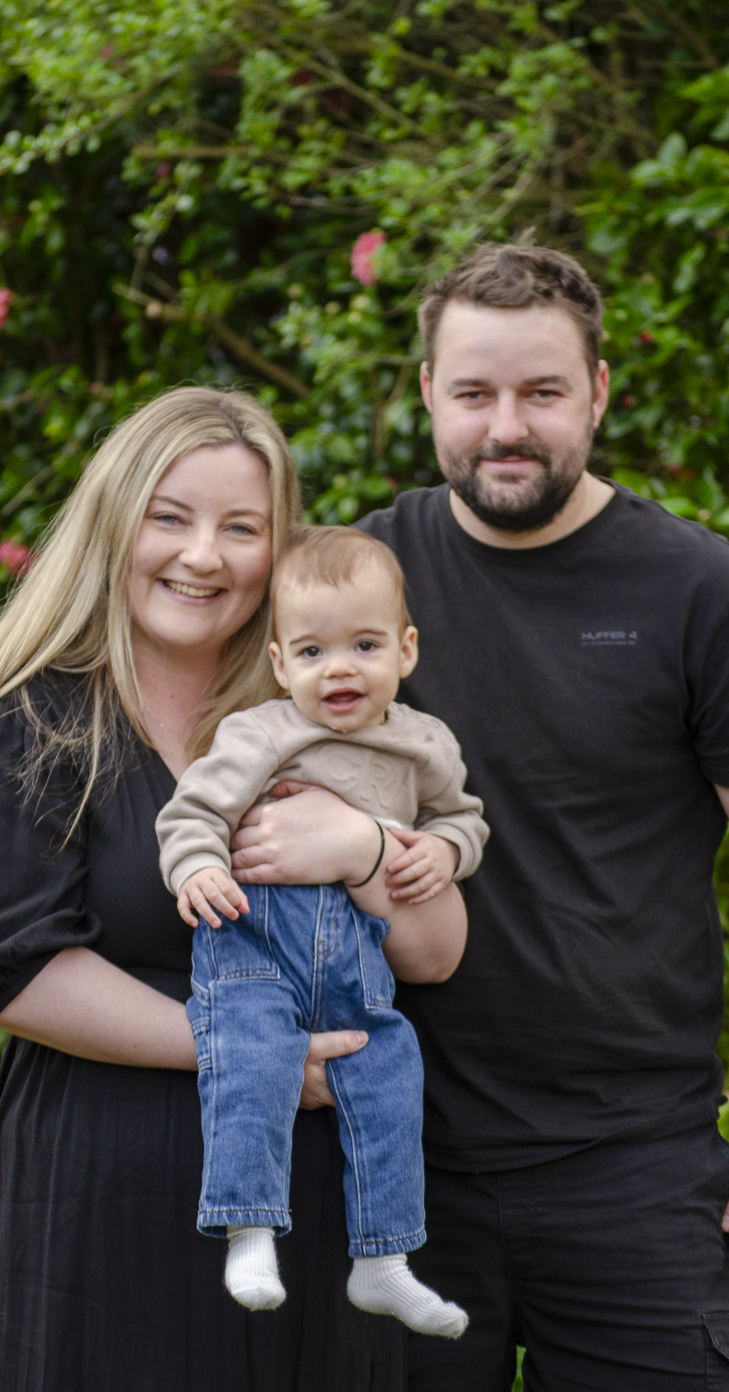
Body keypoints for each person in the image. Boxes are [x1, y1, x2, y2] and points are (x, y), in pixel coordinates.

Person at [232, 244, 729, 1392]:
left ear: (598, 393)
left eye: (540, 393)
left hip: (631, 1170)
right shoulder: (358, 583)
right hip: (390, 1154)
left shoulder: (703, 597)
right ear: (424, 394)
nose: (504, 428)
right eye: (473, 394)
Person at [0, 386, 467, 1392]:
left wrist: (365, 848)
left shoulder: (322, 713)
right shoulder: (38, 716)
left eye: (242, 527)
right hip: (102, 1187)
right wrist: (247, 1055)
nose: (202, 556)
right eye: (170, 518)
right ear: (115, 523)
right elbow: (4, 961)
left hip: (311, 1196)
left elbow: (431, 955)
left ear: (281, 551)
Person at [156, 525, 487, 1335]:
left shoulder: (425, 744)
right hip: (254, 944)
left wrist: (444, 849)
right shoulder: (260, 733)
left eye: (364, 645)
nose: (338, 669)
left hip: (359, 964)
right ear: (279, 665)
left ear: (406, 650)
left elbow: (464, 819)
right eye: (310, 653)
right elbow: (192, 811)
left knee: (390, 1081)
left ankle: (383, 1261)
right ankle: (250, 1229)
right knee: (250, 1067)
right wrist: (195, 866)